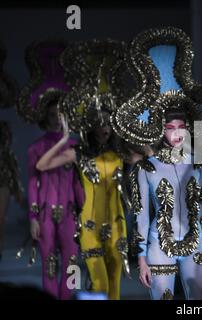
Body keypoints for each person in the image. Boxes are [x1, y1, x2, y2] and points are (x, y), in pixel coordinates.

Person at [111, 27, 202, 300]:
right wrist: (140, 257)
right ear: (159, 130)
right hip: (158, 246)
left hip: (195, 242)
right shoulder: (146, 168)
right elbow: (141, 216)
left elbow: (199, 205)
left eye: (181, 126)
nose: (176, 133)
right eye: (170, 127)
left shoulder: (198, 164)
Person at [35, 39, 131, 300]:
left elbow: (148, 154)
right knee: (98, 283)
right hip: (88, 225)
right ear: (91, 127)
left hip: (117, 224)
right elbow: (41, 165)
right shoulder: (78, 153)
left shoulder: (120, 153)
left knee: (115, 287)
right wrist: (65, 139)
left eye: (109, 124)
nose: (104, 128)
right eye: (100, 124)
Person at [16, 40, 84, 299]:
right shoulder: (37, 147)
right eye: (54, 114)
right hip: (45, 213)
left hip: (69, 213)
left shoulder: (76, 145)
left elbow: (78, 182)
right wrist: (33, 218)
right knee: (50, 265)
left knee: (70, 265)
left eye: (61, 114)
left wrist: (82, 211)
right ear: (46, 116)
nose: (57, 118)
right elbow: (33, 181)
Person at [0, 121, 23, 263]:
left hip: (3, 182)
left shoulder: (7, 153)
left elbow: (14, 169)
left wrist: (18, 189)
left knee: (0, 220)